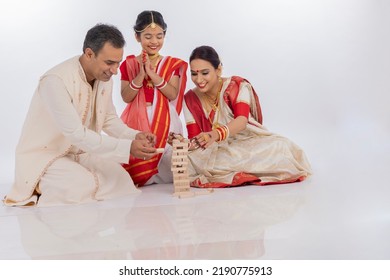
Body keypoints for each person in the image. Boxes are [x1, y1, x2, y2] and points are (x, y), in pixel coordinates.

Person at [3, 23, 159, 207]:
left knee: (121, 179)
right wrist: (128, 147)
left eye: (118, 63)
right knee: (79, 186)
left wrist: (135, 135)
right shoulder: (56, 81)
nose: (115, 70)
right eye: (109, 63)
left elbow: (109, 119)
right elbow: (76, 134)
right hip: (47, 155)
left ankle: (69, 182)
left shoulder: (104, 77)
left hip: (81, 152)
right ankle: (36, 185)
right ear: (89, 54)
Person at [182, 45, 312, 188]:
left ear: (218, 69)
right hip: (217, 151)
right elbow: (195, 138)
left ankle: (228, 170)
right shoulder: (190, 99)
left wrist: (214, 134)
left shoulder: (236, 86)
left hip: (248, 143)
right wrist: (182, 143)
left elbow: (242, 121)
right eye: (194, 74)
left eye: (204, 73)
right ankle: (238, 169)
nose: (198, 79)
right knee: (187, 159)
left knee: (281, 147)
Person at [119, 10, 188, 186]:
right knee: (133, 159)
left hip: (165, 119)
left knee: (169, 159)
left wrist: (153, 75)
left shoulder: (171, 64)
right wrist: (140, 76)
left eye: (159, 36)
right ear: (137, 36)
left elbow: (172, 94)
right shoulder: (129, 64)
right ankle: (143, 177)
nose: (154, 42)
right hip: (135, 119)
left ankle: (159, 176)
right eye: (148, 36)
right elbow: (126, 97)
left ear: (165, 35)